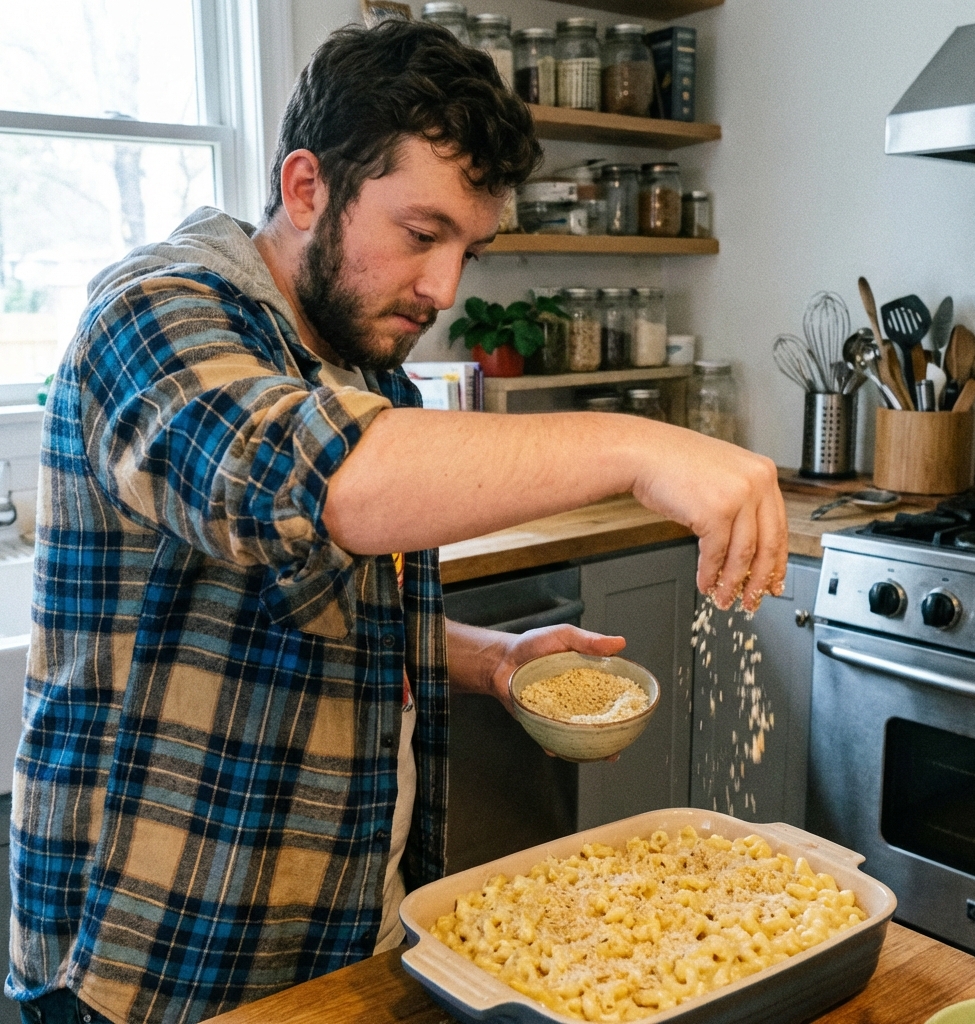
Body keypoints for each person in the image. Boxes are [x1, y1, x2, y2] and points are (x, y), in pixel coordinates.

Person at [7, 20, 787, 1024]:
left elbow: (317, 598)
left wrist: (487, 658)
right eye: (422, 234)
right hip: (156, 960)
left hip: (343, 926)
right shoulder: (153, 315)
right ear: (305, 188)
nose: (444, 289)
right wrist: (640, 447)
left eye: (468, 248)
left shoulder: (363, 361)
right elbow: (315, 479)